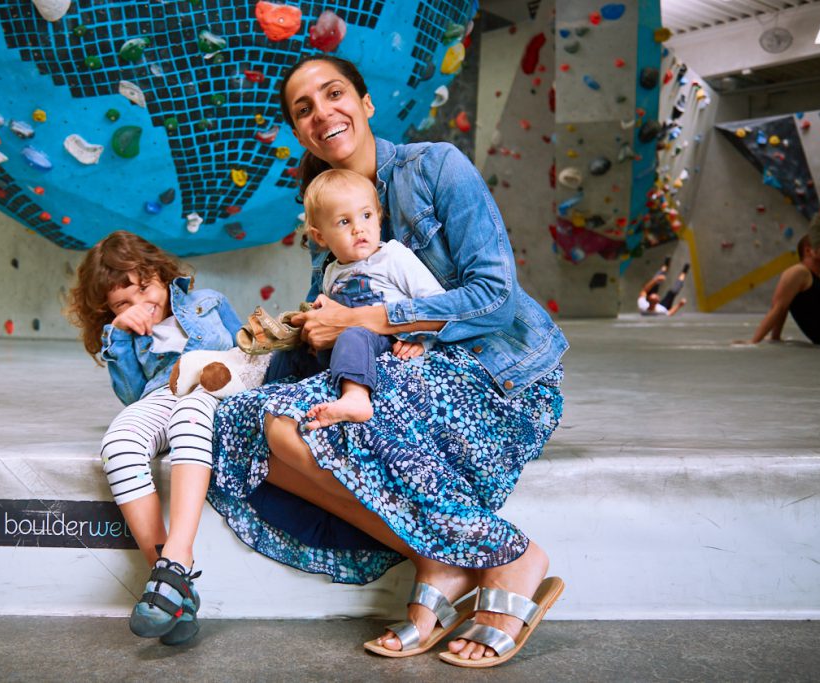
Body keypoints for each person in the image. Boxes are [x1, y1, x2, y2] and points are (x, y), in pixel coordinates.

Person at [207, 55, 569, 668]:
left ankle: (513, 558)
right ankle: (442, 560)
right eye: (304, 108)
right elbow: (345, 330)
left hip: (495, 375)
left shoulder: (436, 168)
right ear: (299, 132)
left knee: (296, 422)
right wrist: (296, 333)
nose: (323, 112)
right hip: (400, 376)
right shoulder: (325, 214)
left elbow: (496, 297)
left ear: (367, 103)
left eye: (334, 93)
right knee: (250, 426)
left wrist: (364, 320)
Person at [66, 230, 241, 644]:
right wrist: (121, 334)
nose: (139, 305)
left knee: (189, 415)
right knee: (119, 442)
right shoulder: (127, 334)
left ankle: (177, 559)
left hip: (215, 390)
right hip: (163, 392)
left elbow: (246, 350)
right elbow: (130, 395)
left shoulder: (209, 301)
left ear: (161, 275)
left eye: (144, 289)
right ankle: (172, 583)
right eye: (121, 303)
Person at [297, 168, 446, 429]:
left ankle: (356, 398)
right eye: (344, 222)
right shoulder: (331, 272)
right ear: (320, 236)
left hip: (387, 340)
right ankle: (271, 383)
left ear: (378, 219)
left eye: (366, 215)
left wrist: (423, 341)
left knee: (353, 335)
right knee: (296, 350)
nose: (359, 229)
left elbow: (436, 303)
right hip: (347, 349)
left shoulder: (393, 256)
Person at [748, 230, 820, 345]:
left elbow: (784, 306)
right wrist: (754, 341)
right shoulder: (799, 272)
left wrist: (776, 336)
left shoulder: (816, 279)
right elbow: (778, 307)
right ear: (809, 251)